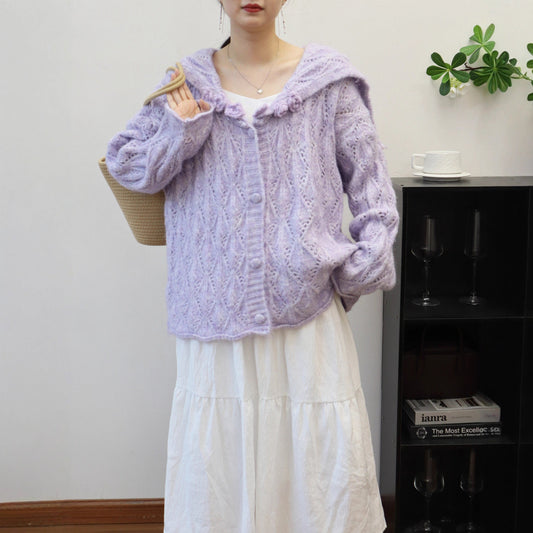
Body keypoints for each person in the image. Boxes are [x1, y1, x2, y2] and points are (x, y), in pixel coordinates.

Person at [106, 1, 399, 531]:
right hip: (214, 320)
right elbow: (129, 164)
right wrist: (181, 132)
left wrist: (357, 269)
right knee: (220, 472)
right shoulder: (185, 84)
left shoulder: (330, 84)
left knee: (316, 471)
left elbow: (373, 191)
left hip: (308, 319)